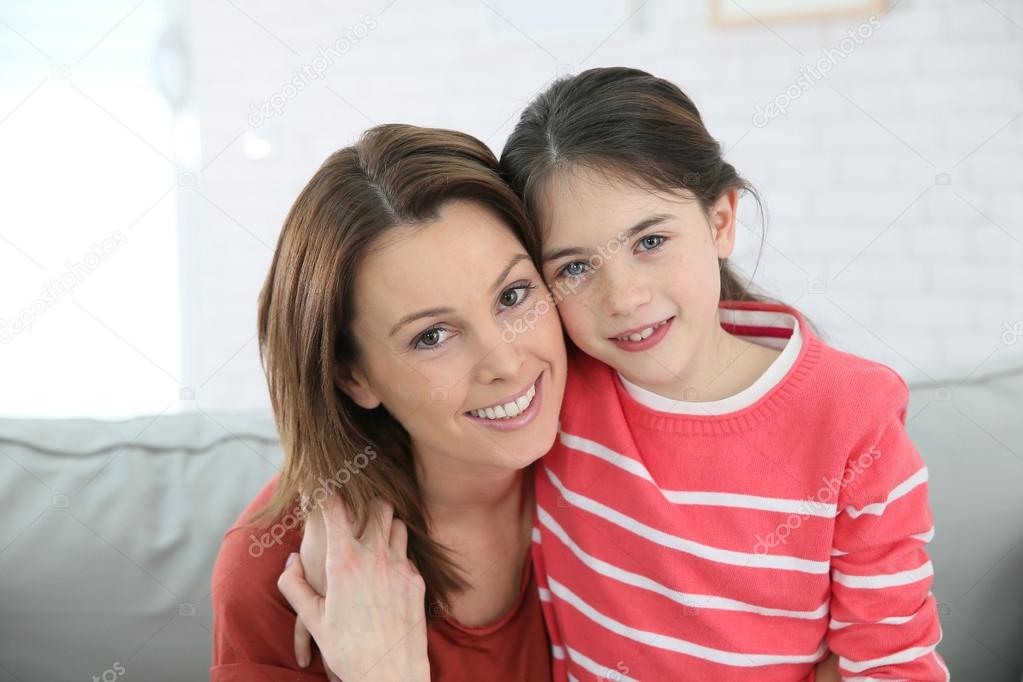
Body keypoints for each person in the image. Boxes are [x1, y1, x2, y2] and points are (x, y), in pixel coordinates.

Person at [496, 66, 948, 680]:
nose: (623, 297)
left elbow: (893, 663)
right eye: (575, 268)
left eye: (650, 241)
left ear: (720, 222)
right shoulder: (552, 393)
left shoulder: (852, 418)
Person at [210, 123, 567, 681]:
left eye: (513, 295)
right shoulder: (272, 571)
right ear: (353, 378)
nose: (505, 363)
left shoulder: (637, 454)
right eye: (431, 336)